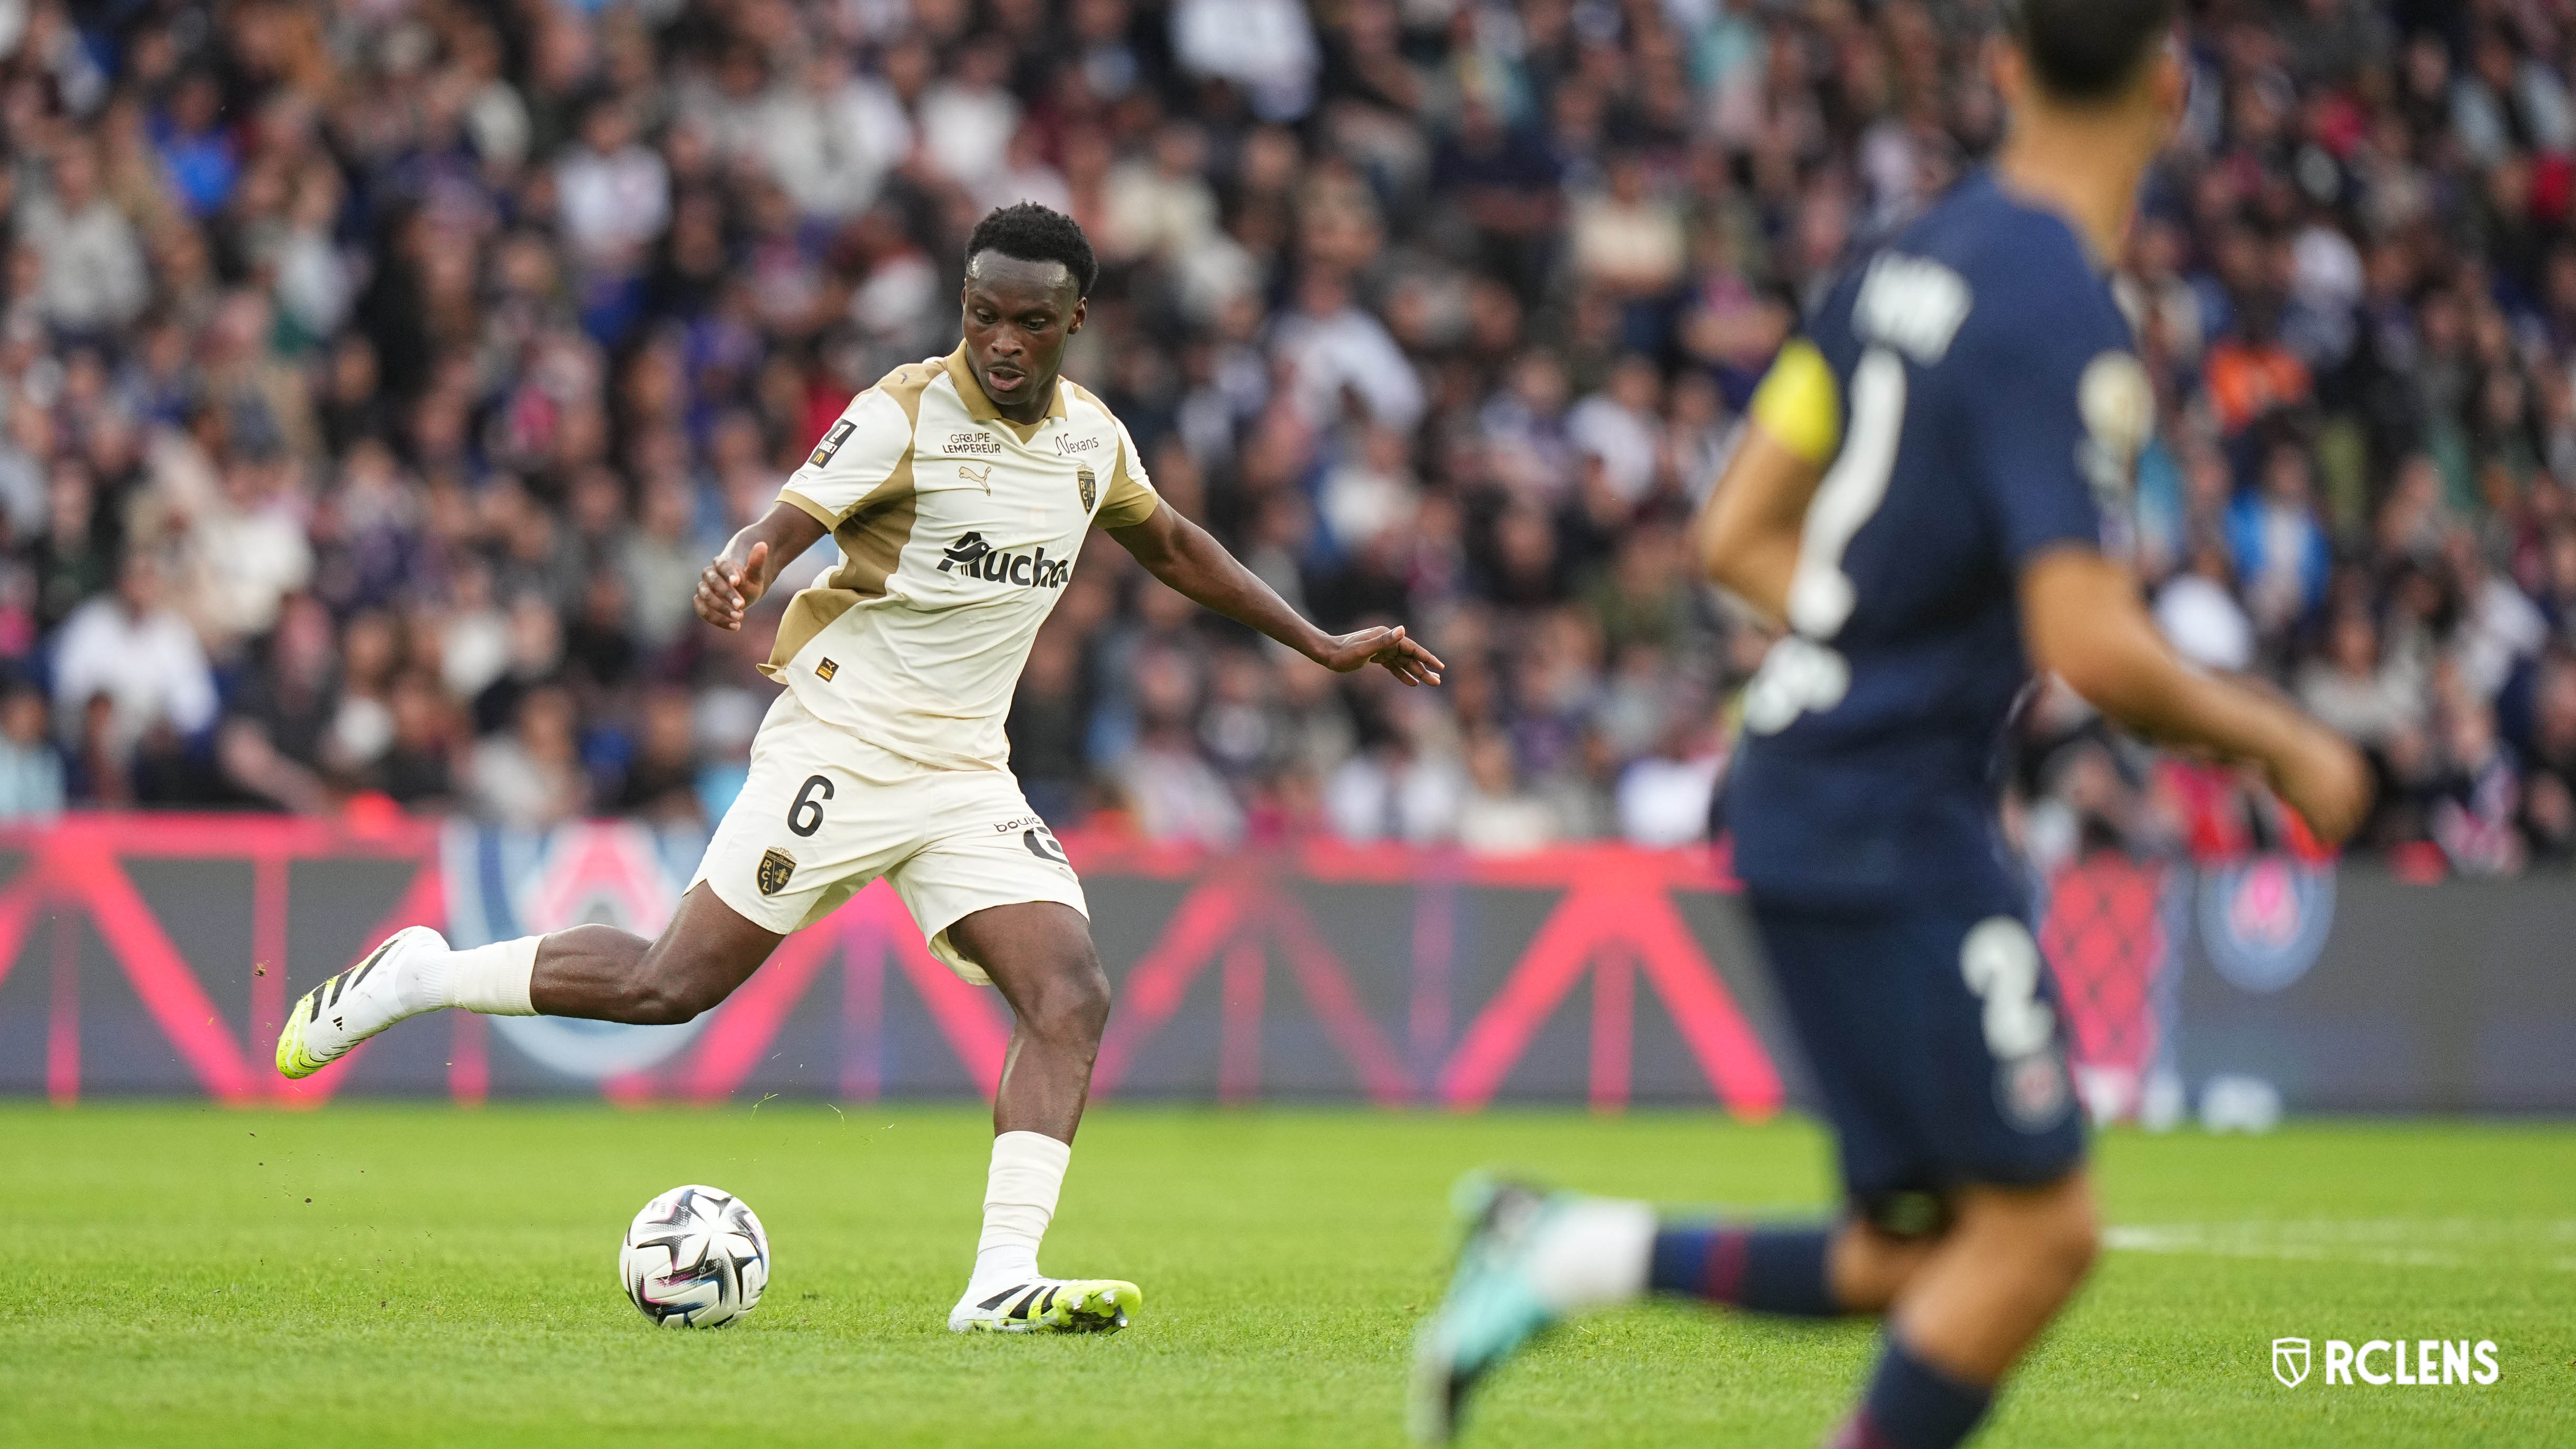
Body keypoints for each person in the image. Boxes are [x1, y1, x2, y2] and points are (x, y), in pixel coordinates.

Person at [1410, 5, 2371, 1447]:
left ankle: (1562, 1248)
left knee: (1914, 1250)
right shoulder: (2061, 306)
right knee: (2039, 1235)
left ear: (2003, 67)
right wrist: (2285, 741)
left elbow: (1735, 530)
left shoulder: (1892, 262)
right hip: (1884, 811)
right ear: (2172, 91)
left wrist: (1867, 643)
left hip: (1804, 777)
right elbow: (2088, 638)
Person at [275, 204, 1444, 1334]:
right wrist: (743, 566)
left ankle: (1001, 1278)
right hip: (841, 742)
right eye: (981, 313)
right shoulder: (901, 413)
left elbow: (1174, 544)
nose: (999, 340)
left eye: (1028, 321)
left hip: (965, 772)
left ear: (1073, 321)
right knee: (669, 984)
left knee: (1071, 990)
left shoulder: (1094, 439)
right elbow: (783, 524)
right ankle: (423, 975)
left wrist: (1320, 642)